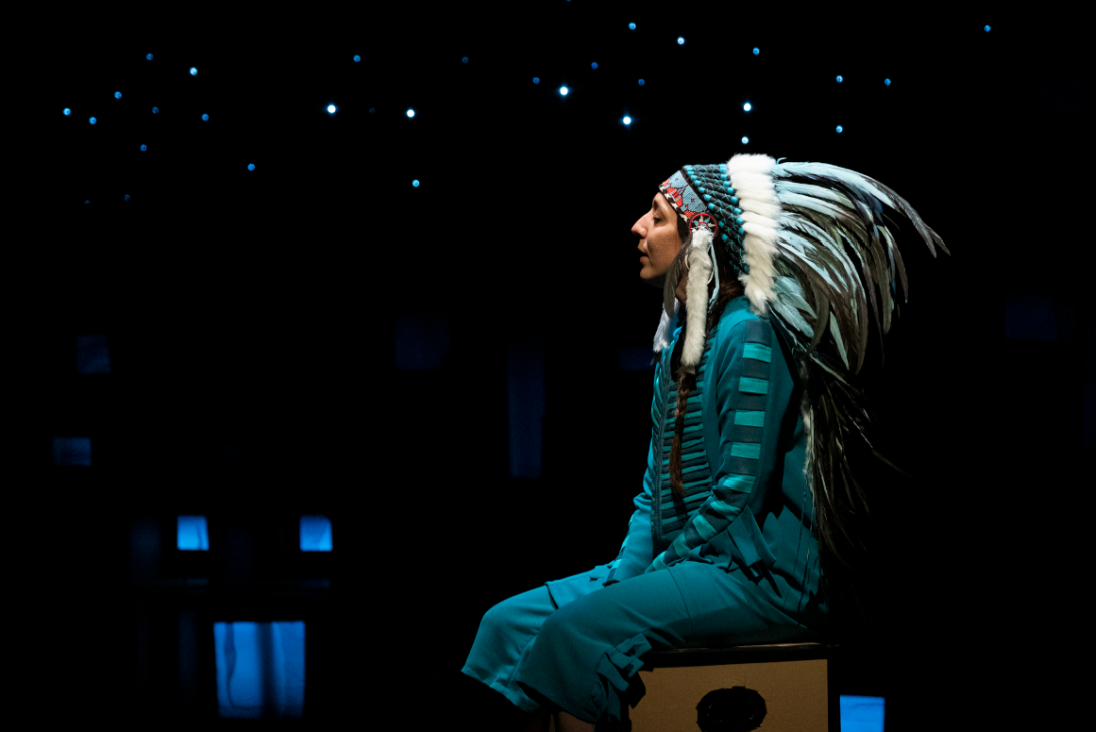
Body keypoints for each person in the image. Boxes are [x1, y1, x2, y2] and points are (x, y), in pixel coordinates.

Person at [461, 153, 949, 732]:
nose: (638, 227)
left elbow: (739, 492)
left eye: (657, 216)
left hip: (762, 577)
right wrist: (632, 570)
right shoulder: (677, 349)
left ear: (699, 237)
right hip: (692, 562)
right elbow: (651, 493)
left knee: (574, 632)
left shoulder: (750, 333)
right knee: (505, 624)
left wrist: (656, 571)